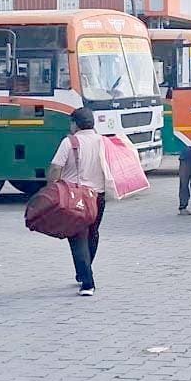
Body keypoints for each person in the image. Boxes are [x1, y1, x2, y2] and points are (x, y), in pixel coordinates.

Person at [48, 107, 114, 296]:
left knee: (77, 237)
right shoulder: (104, 142)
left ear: (75, 124)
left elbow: (55, 168)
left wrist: (51, 186)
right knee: (92, 233)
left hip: (75, 198)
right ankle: (84, 271)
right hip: (98, 197)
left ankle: (87, 282)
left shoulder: (69, 142)